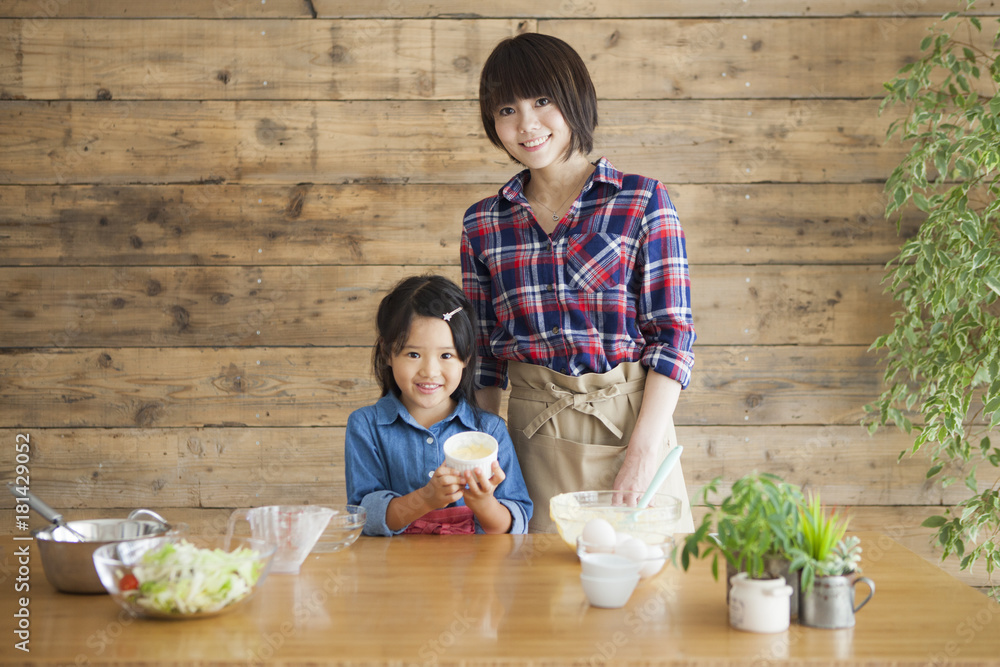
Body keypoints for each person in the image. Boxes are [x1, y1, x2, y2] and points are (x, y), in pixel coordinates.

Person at [461, 33, 696, 533]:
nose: (527, 124)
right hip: (528, 441)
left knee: (650, 597)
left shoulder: (641, 201)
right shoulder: (483, 224)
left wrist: (643, 452)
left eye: (542, 101)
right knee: (536, 600)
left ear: (575, 99)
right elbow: (483, 359)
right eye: (507, 109)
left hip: (632, 431)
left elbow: (673, 341)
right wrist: (478, 457)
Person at [345, 274, 533, 536]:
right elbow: (364, 517)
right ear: (389, 353)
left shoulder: (491, 430)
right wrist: (425, 499)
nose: (430, 371)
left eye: (446, 355)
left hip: (474, 571)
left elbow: (515, 525)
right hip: (394, 572)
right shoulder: (366, 426)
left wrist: (483, 503)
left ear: (465, 356)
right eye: (413, 354)